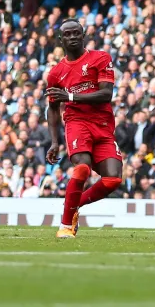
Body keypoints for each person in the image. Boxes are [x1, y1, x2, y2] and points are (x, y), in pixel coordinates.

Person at [45, 19, 123, 239]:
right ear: (60, 39)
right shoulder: (55, 73)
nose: (72, 37)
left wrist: (69, 96)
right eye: (67, 34)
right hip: (77, 124)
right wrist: (54, 141)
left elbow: (106, 94)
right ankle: (65, 225)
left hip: (104, 126)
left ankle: (73, 205)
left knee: (113, 179)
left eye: (76, 33)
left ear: (83, 34)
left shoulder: (100, 58)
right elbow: (52, 108)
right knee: (82, 169)